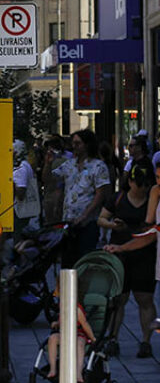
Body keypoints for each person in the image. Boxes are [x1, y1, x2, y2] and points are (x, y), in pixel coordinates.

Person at [102, 159, 158, 358]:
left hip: (144, 255)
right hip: (121, 255)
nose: (143, 188)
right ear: (131, 182)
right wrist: (113, 227)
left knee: (145, 298)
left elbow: (149, 233)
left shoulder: (153, 198)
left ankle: (145, 341)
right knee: (118, 299)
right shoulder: (119, 199)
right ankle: (113, 338)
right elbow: (102, 218)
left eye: (147, 184)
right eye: (139, 184)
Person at [54, 129, 111, 268]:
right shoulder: (69, 164)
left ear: (87, 145)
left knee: (84, 260)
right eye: (73, 143)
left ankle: (83, 288)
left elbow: (100, 194)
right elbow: (49, 179)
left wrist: (85, 215)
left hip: (88, 223)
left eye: (78, 143)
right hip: (68, 221)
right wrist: (47, 163)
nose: (74, 146)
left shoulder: (98, 166)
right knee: (68, 261)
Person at [46, 292, 96, 380]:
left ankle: (78, 372)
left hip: (78, 333)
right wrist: (57, 323)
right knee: (52, 339)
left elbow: (85, 325)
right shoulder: (62, 306)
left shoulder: (77, 309)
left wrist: (92, 338)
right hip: (65, 334)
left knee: (79, 343)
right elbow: (63, 320)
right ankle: (53, 369)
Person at [13, 140, 41, 237]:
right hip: (25, 212)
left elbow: (20, 193)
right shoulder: (25, 164)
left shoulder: (20, 168)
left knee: (18, 237)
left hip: (20, 212)